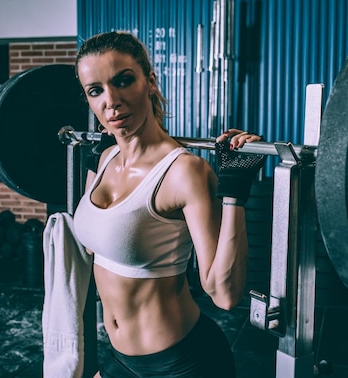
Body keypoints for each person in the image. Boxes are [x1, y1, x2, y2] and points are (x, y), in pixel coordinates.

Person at [72, 31, 266, 378]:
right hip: (118, 358)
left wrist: (235, 188)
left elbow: (224, 294)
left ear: (150, 82)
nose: (111, 101)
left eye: (124, 81)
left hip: (181, 363)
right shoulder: (105, 159)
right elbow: (91, 244)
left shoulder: (183, 172)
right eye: (96, 90)